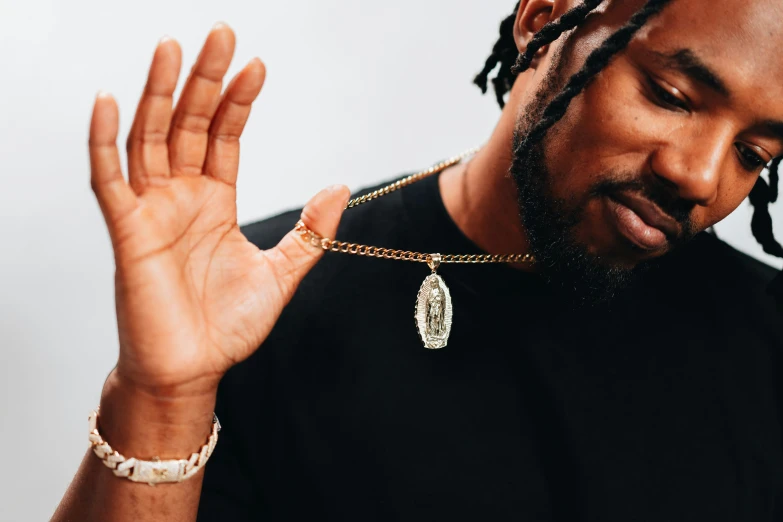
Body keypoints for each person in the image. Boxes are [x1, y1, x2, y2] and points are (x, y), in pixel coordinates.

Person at [53, 0, 783, 520]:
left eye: (753, 155)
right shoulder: (267, 303)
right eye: (671, 95)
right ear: (541, 18)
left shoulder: (767, 342)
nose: (701, 176)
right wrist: (161, 397)